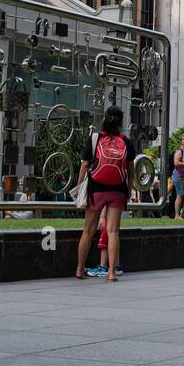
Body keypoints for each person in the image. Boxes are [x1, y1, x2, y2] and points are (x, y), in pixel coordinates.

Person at [75, 106, 132, 282]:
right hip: (117, 191)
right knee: (113, 231)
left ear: (105, 119)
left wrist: (79, 188)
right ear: (121, 121)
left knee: (88, 231)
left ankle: (79, 269)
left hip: (96, 190)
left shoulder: (95, 138)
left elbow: (85, 165)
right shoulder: (126, 141)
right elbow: (131, 171)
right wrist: (129, 190)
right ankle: (112, 272)